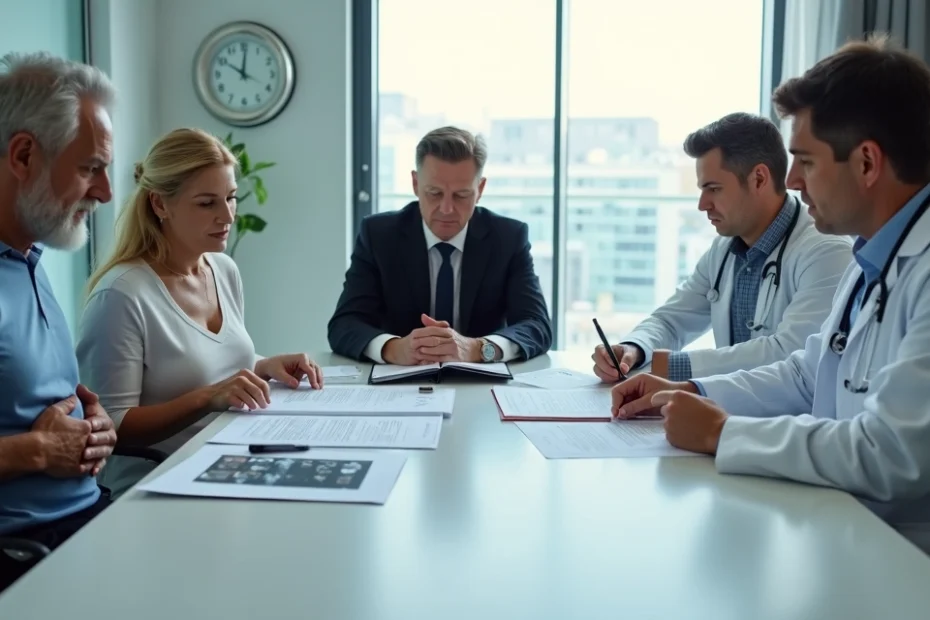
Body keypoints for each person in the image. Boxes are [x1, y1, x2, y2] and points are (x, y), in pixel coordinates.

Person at [610, 36, 930, 552]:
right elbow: (808, 372)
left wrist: (721, 432)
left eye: (805, 160)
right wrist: (697, 395)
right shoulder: (871, 257)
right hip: (846, 529)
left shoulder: (889, 263)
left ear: (867, 164)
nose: (794, 179)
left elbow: (890, 453)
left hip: (905, 557)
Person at [76, 128, 324, 497]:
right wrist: (207, 398)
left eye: (231, 198)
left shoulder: (222, 269)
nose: (227, 216)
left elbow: (207, 359)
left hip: (230, 460)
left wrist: (264, 364)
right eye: (207, 203)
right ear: (160, 204)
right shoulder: (122, 294)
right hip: (152, 485)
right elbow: (109, 424)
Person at [592, 113, 851, 383]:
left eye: (713, 189)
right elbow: (671, 320)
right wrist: (634, 349)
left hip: (793, 421)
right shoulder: (725, 249)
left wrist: (668, 366)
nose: (702, 204)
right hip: (731, 414)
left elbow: (790, 354)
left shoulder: (826, 252)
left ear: (759, 179)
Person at [0, 52, 118, 591]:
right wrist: (40, 451)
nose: (106, 192)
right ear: (24, 155)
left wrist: (93, 433)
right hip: (26, 553)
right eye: (91, 167)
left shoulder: (29, 259)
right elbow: (39, 440)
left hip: (88, 518)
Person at [328, 126, 552, 365]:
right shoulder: (379, 235)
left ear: (480, 189)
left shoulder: (508, 238)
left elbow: (536, 325)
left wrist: (478, 348)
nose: (446, 209)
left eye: (461, 195)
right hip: (400, 384)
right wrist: (394, 349)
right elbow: (344, 324)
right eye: (434, 193)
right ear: (415, 184)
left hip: (482, 384)